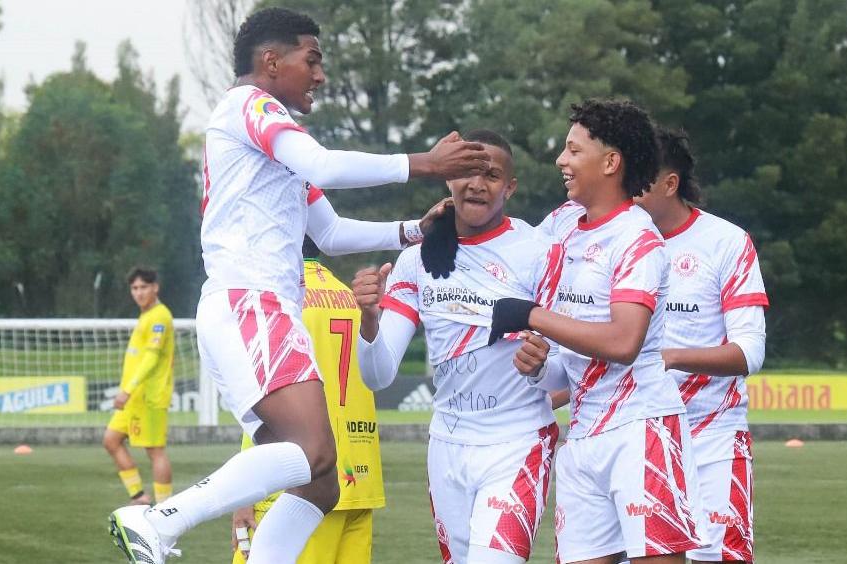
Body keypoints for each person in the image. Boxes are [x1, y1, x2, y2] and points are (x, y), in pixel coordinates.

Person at [108, 7, 490, 564]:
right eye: (312, 60)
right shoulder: (252, 106)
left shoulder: (273, 144)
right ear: (271, 61)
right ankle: (160, 518)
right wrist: (423, 163)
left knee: (320, 481)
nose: (320, 75)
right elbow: (326, 166)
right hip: (252, 304)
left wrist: (409, 231)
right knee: (311, 453)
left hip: (250, 308)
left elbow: (330, 230)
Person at [493, 99, 701, 564]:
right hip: (584, 434)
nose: (560, 161)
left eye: (572, 150)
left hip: (642, 430)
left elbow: (623, 343)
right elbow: (567, 365)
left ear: (611, 162)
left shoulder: (637, 238)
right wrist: (537, 366)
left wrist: (531, 316)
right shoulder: (561, 226)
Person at [353, 129, 560, 564]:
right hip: (446, 445)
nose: (477, 184)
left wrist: (541, 368)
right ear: (449, 178)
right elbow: (377, 375)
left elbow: (570, 372)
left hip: (517, 442)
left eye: (491, 174)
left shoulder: (540, 252)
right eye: (466, 171)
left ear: (510, 187)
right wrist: (369, 319)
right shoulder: (417, 258)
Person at [635, 127, 767, 564]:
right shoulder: (610, 243)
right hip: (636, 437)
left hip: (711, 437)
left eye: (638, 175)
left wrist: (669, 358)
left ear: (669, 184)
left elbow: (749, 352)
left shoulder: (726, 242)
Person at [230, 238, 386, 564]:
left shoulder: (280, 302)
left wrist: (244, 493)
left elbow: (268, 402)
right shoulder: (349, 295)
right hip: (359, 479)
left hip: (301, 484)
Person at [104, 267, 177, 506]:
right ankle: (139, 496)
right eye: (134, 288)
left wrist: (128, 389)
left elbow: (152, 358)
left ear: (155, 287)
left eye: (144, 287)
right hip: (134, 398)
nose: (139, 292)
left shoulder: (159, 316)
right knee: (111, 440)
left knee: (155, 450)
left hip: (149, 397)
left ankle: (165, 508)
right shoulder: (145, 316)